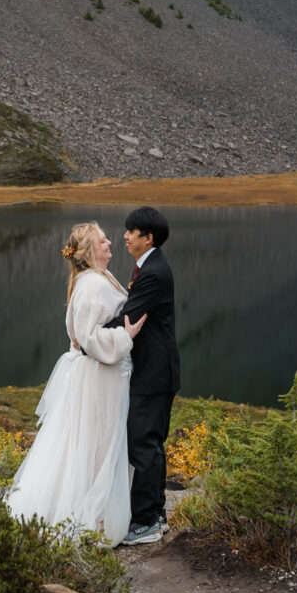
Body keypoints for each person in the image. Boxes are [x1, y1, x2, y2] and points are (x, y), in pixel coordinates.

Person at [4, 221, 149, 542]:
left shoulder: (94, 279)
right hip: (100, 380)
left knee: (95, 442)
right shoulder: (92, 286)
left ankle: (92, 515)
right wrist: (125, 336)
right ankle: (91, 522)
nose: (111, 243)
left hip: (105, 377)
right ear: (88, 251)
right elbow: (87, 339)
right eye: (102, 240)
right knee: (98, 444)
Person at [110, 205, 178, 546]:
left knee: (144, 444)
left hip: (153, 374)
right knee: (150, 442)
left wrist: (88, 336)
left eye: (131, 231)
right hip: (156, 371)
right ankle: (156, 515)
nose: (124, 236)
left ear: (147, 237)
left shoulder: (152, 272)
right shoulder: (149, 267)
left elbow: (128, 316)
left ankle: (146, 522)